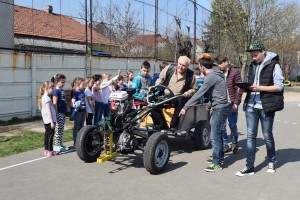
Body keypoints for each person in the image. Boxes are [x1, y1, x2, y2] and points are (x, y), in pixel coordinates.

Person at [236, 40, 284, 176]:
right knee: (251, 136)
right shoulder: (252, 65)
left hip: (265, 106)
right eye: (252, 55)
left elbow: (279, 86)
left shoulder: (274, 64)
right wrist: (245, 88)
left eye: (256, 55)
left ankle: (271, 161)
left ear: (262, 52)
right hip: (251, 105)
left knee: (267, 135)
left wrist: (259, 88)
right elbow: (252, 84)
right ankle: (249, 166)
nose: (253, 58)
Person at [179, 53, 229, 172]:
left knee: (214, 136)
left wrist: (185, 107)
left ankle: (217, 162)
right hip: (220, 106)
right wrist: (210, 104)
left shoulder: (211, 76)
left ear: (201, 66)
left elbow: (199, 93)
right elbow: (219, 92)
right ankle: (220, 157)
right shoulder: (218, 74)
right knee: (219, 133)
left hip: (219, 108)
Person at [152, 56, 197, 129]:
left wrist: (189, 92)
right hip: (165, 96)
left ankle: (173, 126)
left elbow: (194, 89)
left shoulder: (191, 75)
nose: (180, 67)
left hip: (178, 97)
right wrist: (156, 86)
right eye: (179, 64)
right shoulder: (169, 68)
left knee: (181, 100)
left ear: (187, 66)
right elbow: (161, 78)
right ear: (177, 63)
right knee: (151, 101)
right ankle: (161, 125)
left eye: (183, 66)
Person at [216, 55, 243, 154]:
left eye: (220, 63)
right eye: (218, 64)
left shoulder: (235, 72)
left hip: (231, 102)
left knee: (232, 124)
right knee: (222, 126)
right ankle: (225, 144)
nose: (219, 66)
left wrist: (235, 103)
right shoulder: (219, 74)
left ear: (226, 62)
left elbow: (239, 89)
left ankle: (234, 141)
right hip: (221, 103)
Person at [38, 81, 57, 157]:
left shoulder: (43, 97)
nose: (53, 89)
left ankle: (46, 150)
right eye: (51, 88)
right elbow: (48, 110)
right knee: (50, 136)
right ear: (46, 88)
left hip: (46, 120)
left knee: (47, 135)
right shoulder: (47, 98)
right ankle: (50, 151)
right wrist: (52, 122)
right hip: (50, 121)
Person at [51, 74, 69, 152]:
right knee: (58, 129)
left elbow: (64, 100)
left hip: (63, 112)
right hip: (59, 113)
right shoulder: (56, 91)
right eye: (62, 82)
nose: (63, 84)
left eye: (64, 82)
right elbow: (54, 103)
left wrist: (67, 107)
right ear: (57, 82)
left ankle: (60, 143)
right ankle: (56, 145)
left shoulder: (62, 91)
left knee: (61, 129)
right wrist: (56, 114)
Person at [71, 77, 86, 147]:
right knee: (76, 127)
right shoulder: (75, 93)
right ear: (78, 84)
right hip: (78, 112)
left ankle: (80, 141)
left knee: (81, 127)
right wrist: (79, 106)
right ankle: (75, 142)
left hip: (83, 112)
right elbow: (72, 104)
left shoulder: (82, 92)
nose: (84, 85)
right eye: (82, 84)